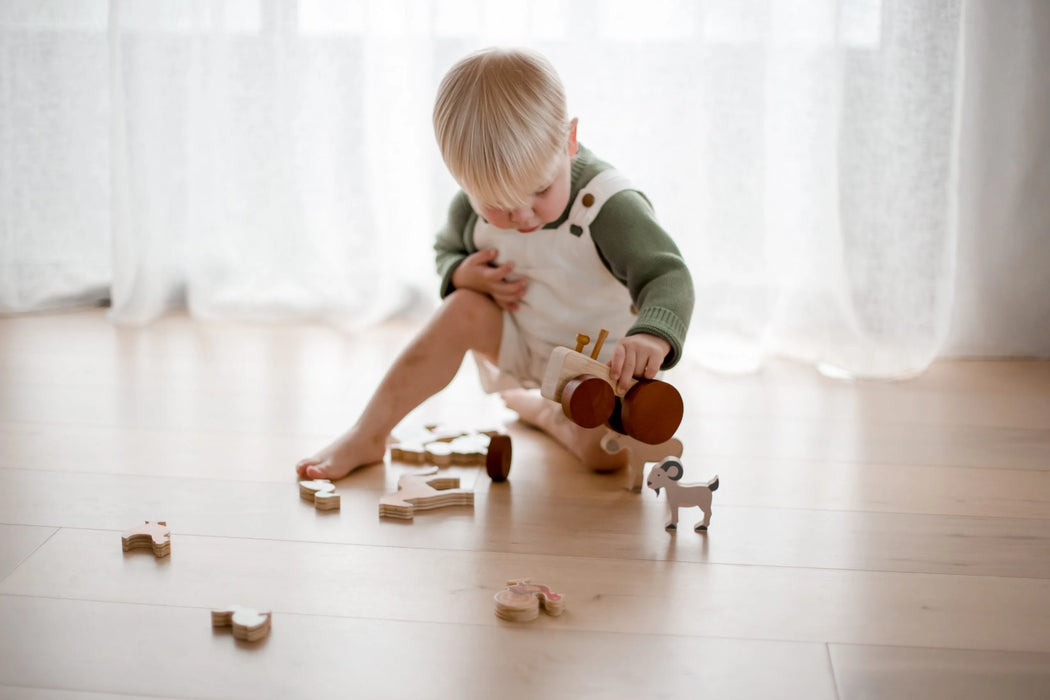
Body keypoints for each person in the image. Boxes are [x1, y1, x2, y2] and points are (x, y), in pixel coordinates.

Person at [296, 47, 693, 481]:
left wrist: (653, 337)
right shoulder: (469, 206)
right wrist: (463, 273)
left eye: (541, 190)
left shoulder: (609, 207)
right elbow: (447, 251)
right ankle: (368, 433)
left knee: (606, 457)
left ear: (569, 140)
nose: (522, 217)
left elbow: (668, 273)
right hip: (521, 343)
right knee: (460, 306)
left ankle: (546, 411)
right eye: (497, 206)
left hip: (600, 369)